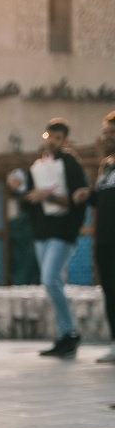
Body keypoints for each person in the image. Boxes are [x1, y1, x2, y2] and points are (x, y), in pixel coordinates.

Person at [8, 119, 87, 358]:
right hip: (41, 232)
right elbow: (29, 201)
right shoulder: (37, 166)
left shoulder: (71, 163)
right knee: (53, 283)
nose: (52, 141)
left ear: (65, 140)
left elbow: (75, 200)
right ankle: (65, 336)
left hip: (62, 232)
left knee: (50, 278)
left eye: (58, 138)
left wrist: (48, 197)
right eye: (49, 136)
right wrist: (17, 190)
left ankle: (71, 332)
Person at [73, 111, 115, 363]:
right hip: (105, 240)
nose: (107, 137)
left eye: (112, 133)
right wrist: (86, 195)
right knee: (111, 292)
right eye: (106, 133)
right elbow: (101, 201)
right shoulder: (106, 167)